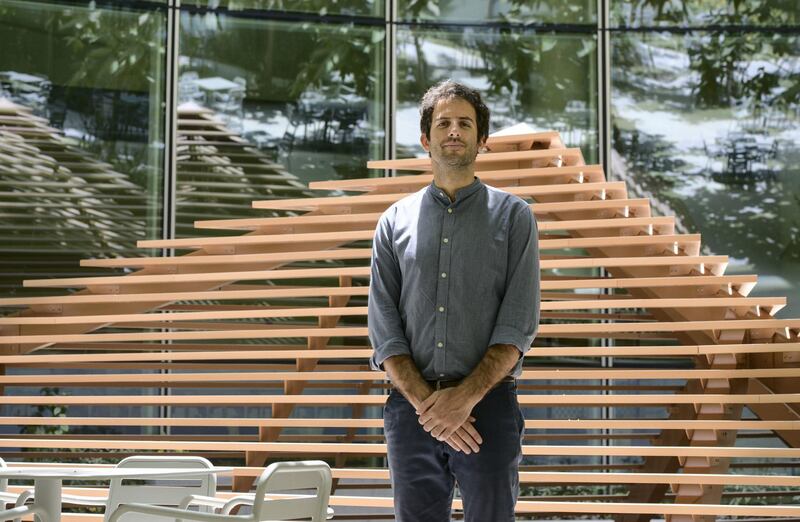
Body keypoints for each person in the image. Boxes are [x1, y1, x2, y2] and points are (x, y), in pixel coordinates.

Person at [368, 80, 541, 522]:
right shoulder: (393, 222)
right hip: (411, 413)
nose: (454, 131)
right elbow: (384, 328)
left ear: (482, 139)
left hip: (489, 409)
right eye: (443, 123)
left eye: (465, 123)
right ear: (426, 139)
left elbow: (518, 322)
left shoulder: (515, 216)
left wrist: (464, 399)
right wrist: (430, 406)